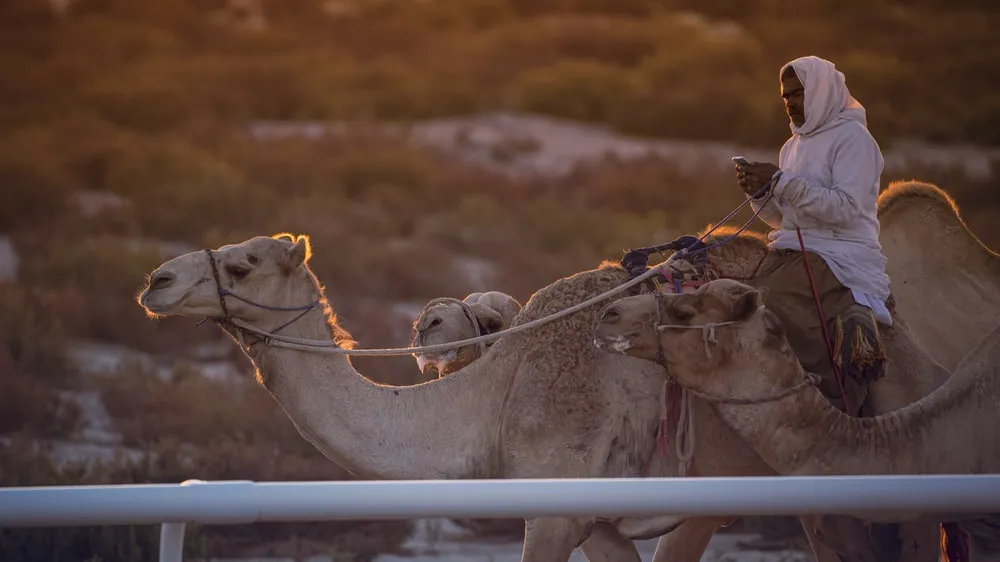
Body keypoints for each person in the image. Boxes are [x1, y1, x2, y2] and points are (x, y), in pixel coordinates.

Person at [734, 55, 891, 416]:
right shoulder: (792, 146)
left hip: (841, 255)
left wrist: (781, 182)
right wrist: (758, 193)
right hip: (796, 250)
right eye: (785, 96)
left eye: (797, 93)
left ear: (821, 90)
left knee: (769, 303)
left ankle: (826, 405)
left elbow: (846, 208)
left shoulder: (854, 140)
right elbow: (784, 219)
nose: (789, 102)